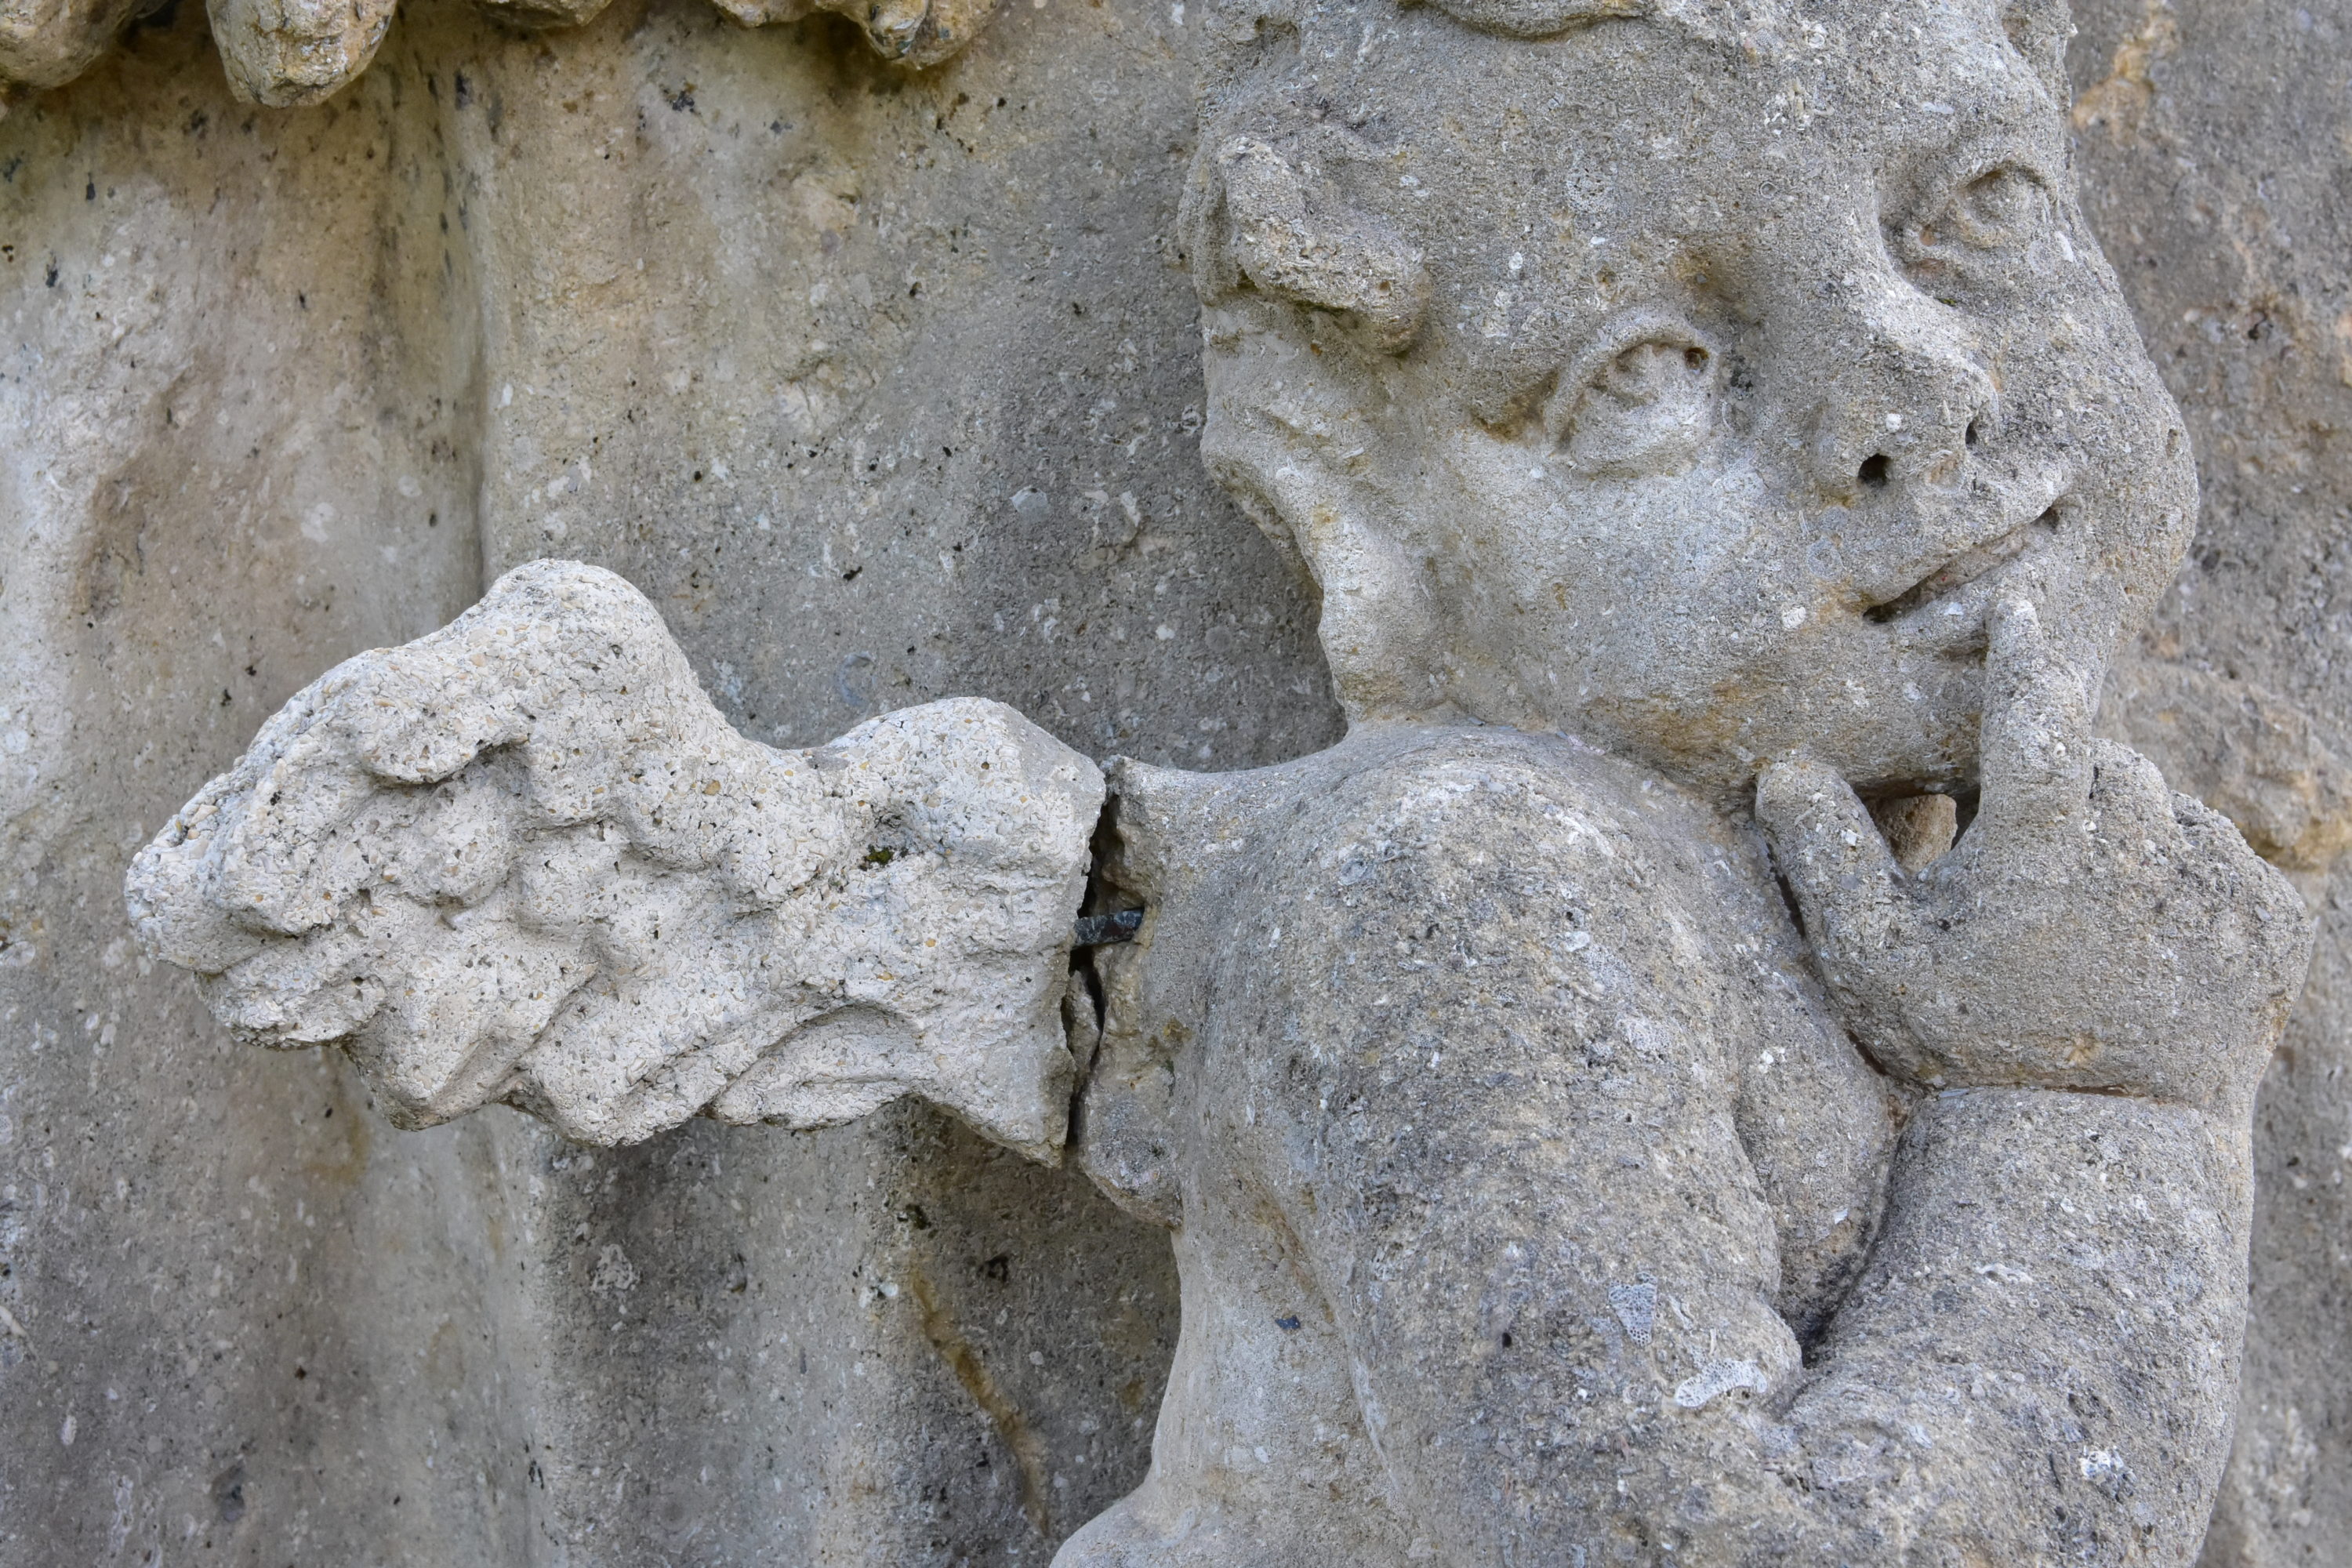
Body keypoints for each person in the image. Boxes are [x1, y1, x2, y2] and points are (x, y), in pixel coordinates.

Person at [1054, 0, 2313, 1560]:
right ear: (1375, 540)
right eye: (1644, 368)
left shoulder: (1943, 860)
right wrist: (2099, 1099)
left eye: (1984, 204)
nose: (1918, 384)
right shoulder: (1460, 890)